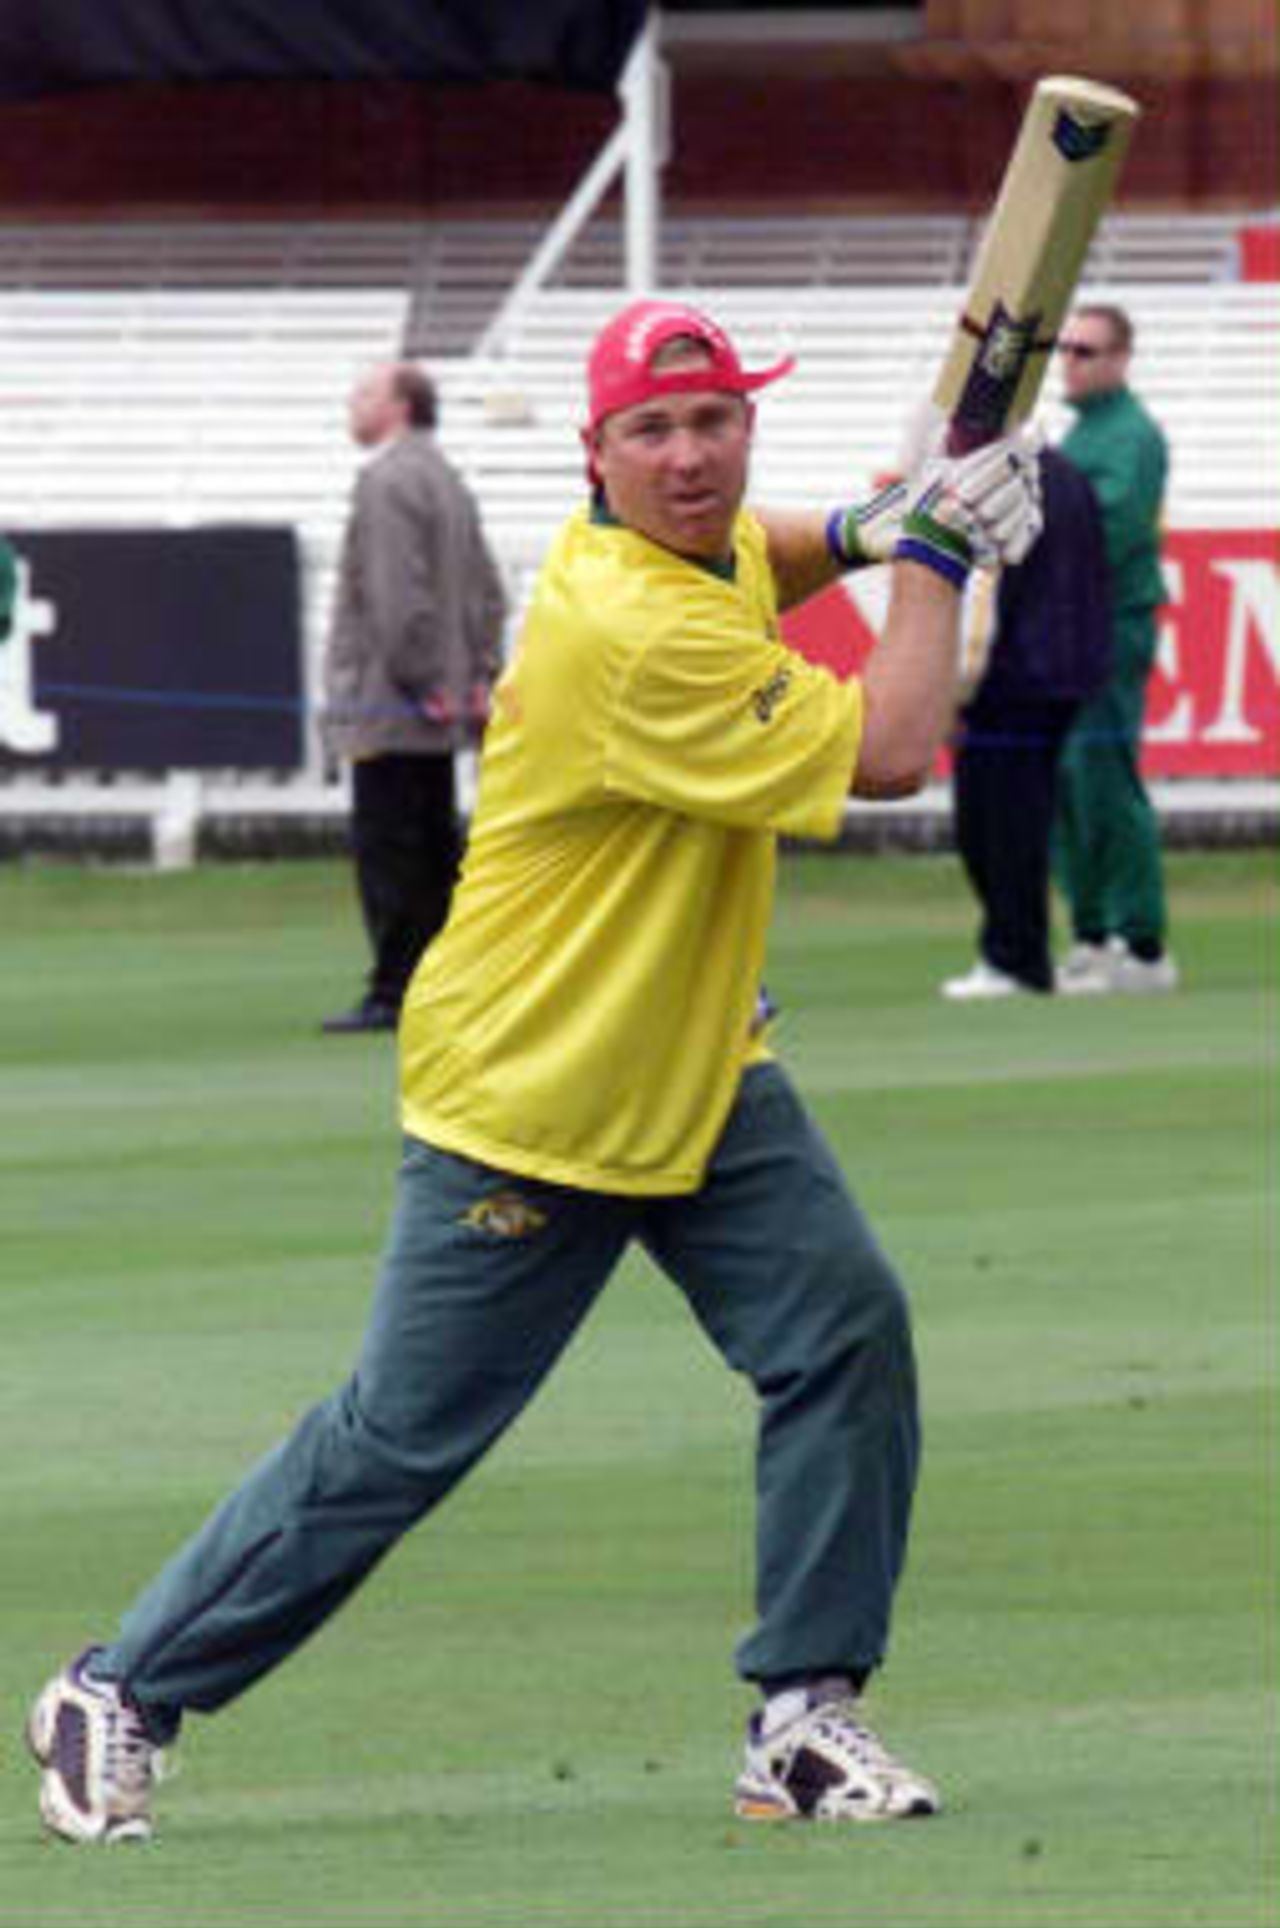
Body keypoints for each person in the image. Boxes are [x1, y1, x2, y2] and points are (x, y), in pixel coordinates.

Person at [27, 299, 1041, 1844]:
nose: (691, 457)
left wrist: (867, 519)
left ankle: (803, 1718)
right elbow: (897, 746)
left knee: (843, 1330)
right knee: (402, 1437)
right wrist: (943, 558)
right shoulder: (635, 632)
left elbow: (754, 552)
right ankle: (121, 1687)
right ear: (597, 457)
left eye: (714, 422)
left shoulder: (656, 551)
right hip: (537, 1091)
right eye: (654, 432)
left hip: (695, 1062)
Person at [320, 360, 508, 1033]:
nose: (352, 401)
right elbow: (488, 591)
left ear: (399, 404)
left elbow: (396, 597)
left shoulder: (388, 480)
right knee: (435, 847)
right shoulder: (449, 481)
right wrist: (478, 673)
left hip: (393, 702)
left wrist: (424, 679)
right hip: (444, 696)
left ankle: (398, 990)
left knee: (392, 848)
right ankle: (446, 987)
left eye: (364, 390)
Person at [942, 446, 1112, 999]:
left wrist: (955, 691)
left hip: (1007, 683)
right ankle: (1025, 956)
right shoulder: (1066, 471)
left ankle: (1014, 958)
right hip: (1056, 677)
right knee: (1021, 823)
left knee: (993, 827)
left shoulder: (993, 478)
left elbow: (981, 598)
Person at [1051, 304, 1177, 995]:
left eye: (1085, 350)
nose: (1069, 361)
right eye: (1066, 350)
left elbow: (1114, 525)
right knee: (1067, 784)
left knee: (1103, 776)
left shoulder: (1131, 434)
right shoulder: (1077, 436)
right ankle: (1092, 934)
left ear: (1122, 358)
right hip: (1062, 628)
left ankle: (1144, 942)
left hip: (1109, 623)